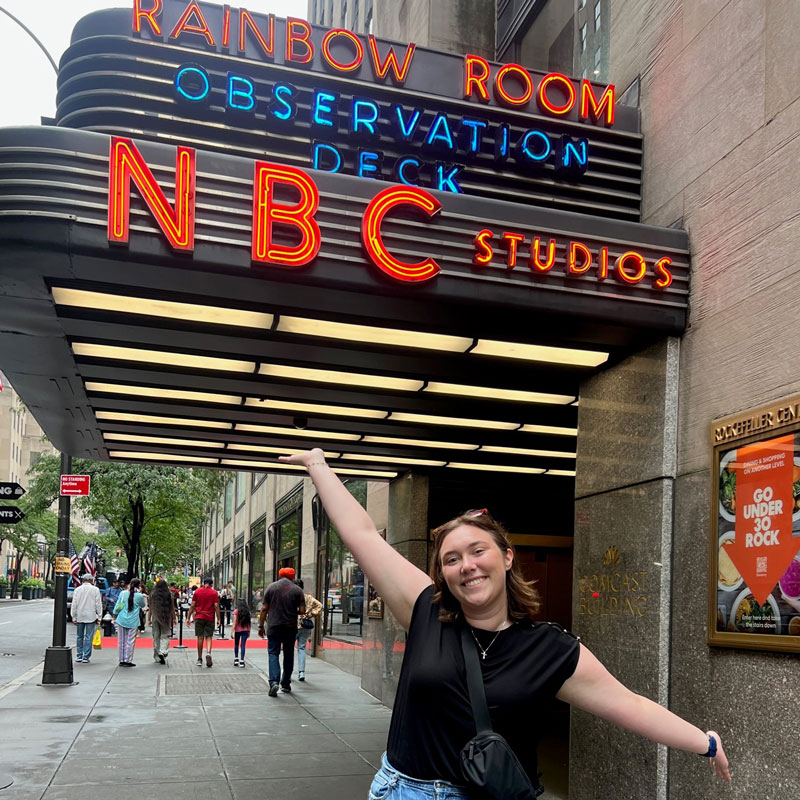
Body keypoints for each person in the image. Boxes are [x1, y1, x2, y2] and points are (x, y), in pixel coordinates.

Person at [278, 449, 732, 798]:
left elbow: (629, 705)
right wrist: (319, 466)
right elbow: (360, 534)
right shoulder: (426, 609)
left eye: (478, 551)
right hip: (404, 790)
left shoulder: (551, 649)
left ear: (506, 557)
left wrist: (704, 742)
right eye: (451, 559)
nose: (467, 566)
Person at [258, 567, 305, 697]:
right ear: (292, 576)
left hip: (274, 626)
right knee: (289, 654)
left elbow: (264, 608)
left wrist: (261, 626)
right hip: (290, 626)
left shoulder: (271, 588)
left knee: (273, 653)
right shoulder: (297, 590)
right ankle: (285, 683)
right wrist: (291, 610)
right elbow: (302, 611)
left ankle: (274, 682)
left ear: (280, 575)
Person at [186, 577, 219, 667]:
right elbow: (216, 606)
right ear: (211, 584)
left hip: (199, 616)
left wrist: (188, 617)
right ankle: (208, 653)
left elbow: (193, 605)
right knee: (209, 637)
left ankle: (199, 658)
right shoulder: (214, 593)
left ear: (204, 583)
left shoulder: (197, 592)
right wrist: (219, 619)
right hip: (210, 617)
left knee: (200, 637)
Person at [113, 577, 146, 667]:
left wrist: (114, 615)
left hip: (121, 619)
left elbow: (118, 606)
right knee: (130, 641)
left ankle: (121, 659)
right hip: (133, 620)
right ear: (138, 585)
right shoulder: (139, 595)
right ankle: (128, 660)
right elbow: (143, 605)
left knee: (121, 640)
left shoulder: (123, 593)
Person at [294, 578, 322, 682]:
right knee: (301, 648)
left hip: (293, 625)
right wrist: (310, 615)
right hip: (305, 625)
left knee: (289, 649)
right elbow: (319, 605)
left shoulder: (292, 597)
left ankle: (287, 670)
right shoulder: (308, 598)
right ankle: (301, 672)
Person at [71, 573, 102, 664]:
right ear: (91, 580)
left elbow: (74, 604)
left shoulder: (77, 590)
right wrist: (99, 616)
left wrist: (73, 616)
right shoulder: (95, 590)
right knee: (89, 637)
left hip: (80, 615)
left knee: (79, 636)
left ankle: (79, 655)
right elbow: (98, 604)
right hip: (91, 616)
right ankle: (86, 656)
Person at [147, 578, 176, 664]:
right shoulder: (169, 594)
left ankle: (157, 656)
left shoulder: (152, 594)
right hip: (166, 616)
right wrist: (174, 618)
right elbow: (172, 608)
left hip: (155, 616)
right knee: (165, 635)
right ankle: (163, 651)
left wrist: (149, 619)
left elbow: (150, 608)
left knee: (156, 636)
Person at [231, 598, 251, 668]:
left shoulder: (236, 611)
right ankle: (242, 661)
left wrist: (232, 631)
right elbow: (249, 622)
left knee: (236, 644)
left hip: (237, 630)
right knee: (243, 645)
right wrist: (249, 631)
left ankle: (236, 659)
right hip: (245, 630)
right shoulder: (247, 612)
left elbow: (235, 622)